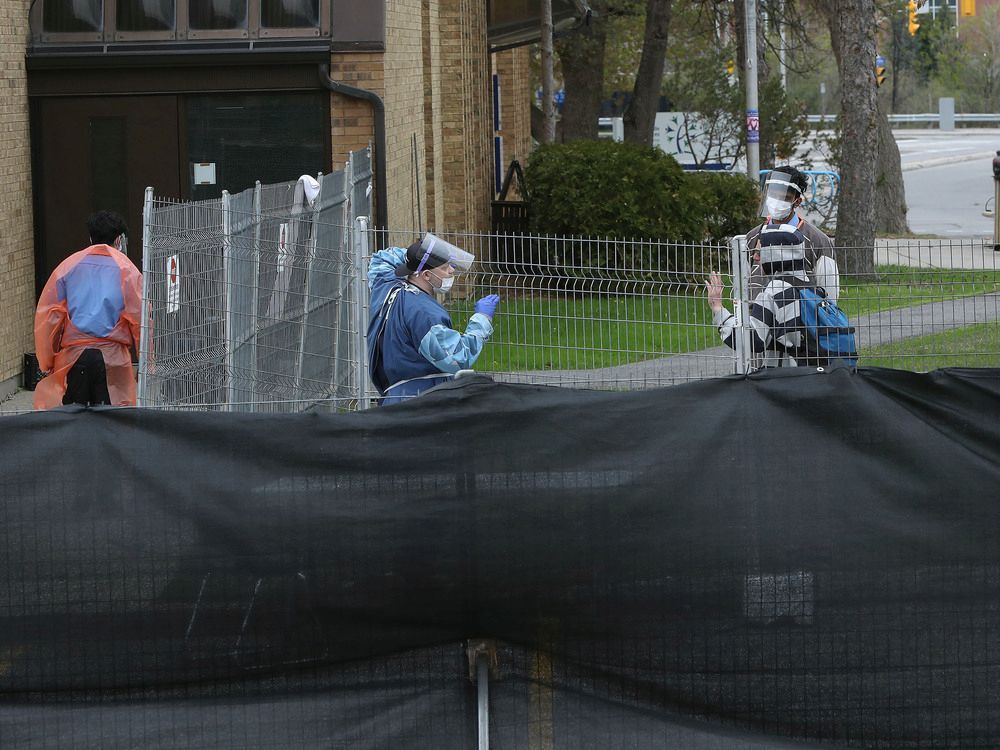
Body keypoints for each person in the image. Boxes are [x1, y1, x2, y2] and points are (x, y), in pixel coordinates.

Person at [367, 233, 500, 405]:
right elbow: (457, 358)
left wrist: (416, 255)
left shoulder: (387, 285)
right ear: (427, 276)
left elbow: (381, 258)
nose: (452, 270)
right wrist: (482, 319)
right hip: (423, 400)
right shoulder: (424, 313)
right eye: (444, 268)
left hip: (394, 398)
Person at [34, 210, 144, 409]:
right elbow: (141, 320)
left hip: (75, 358)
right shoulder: (127, 270)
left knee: (75, 421)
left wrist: (47, 361)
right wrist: (146, 362)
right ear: (119, 240)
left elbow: (49, 316)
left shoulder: (67, 267)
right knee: (113, 423)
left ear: (90, 237)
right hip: (113, 360)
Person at [707, 223, 825, 369]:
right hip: (813, 374)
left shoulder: (774, 292)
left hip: (784, 379)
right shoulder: (811, 286)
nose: (755, 258)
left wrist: (718, 310)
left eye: (760, 252)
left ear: (775, 254)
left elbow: (752, 340)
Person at [748, 165, 840, 303]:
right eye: (773, 195)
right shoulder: (752, 238)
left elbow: (830, 294)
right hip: (757, 319)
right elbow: (742, 287)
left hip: (801, 321)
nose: (776, 201)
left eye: (785, 197)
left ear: (797, 202)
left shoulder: (818, 241)